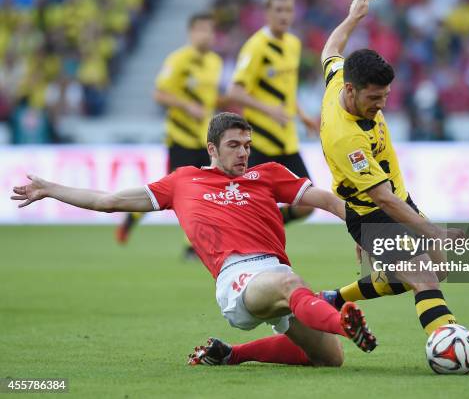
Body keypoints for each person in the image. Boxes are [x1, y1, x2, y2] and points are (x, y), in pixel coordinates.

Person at [12, 112, 377, 367]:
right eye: (234, 145)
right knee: (291, 283)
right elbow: (108, 202)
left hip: (276, 275)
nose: (243, 152)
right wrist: (51, 189)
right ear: (212, 149)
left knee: (330, 359)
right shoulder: (183, 182)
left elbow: (328, 200)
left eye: (247, 145)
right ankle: (343, 320)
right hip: (238, 279)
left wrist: (361, 231)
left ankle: (232, 354)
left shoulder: (268, 175)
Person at [316, 0, 469, 374]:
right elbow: (383, 201)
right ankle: (457, 354)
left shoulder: (339, 79)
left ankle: (334, 297)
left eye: (385, 96)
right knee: (422, 273)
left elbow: (330, 50)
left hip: (397, 199)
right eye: (374, 98)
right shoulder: (345, 137)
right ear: (352, 91)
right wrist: (434, 231)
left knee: (436, 271)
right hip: (373, 210)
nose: (381, 105)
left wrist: (353, 18)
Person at [116, 12, 227, 259]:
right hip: (180, 137)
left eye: (210, 30)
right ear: (191, 33)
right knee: (181, 191)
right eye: (201, 30)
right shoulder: (178, 60)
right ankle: (190, 246)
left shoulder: (215, 63)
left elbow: (210, 98)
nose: (206, 35)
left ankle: (136, 216)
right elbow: (159, 94)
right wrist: (187, 106)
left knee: (196, 190)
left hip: (205, 138)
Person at [227, 0, 319, 225]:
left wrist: (303, 115)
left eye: (288, 10)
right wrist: (269, 110)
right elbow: (234, 92)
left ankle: (270, 224)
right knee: (248, 206)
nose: (284, 15)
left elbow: (287, 90)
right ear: (267, 13)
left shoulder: (293, 44)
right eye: (278, 10)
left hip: (287, 142)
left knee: (309, 203)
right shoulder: (256, 46)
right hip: (260, 142)